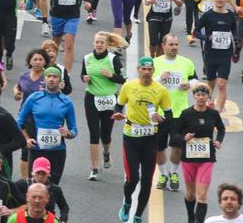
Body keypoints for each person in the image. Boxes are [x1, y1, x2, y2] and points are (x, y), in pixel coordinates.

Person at [113, 56, 173, 223]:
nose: (146, 72)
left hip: (150, 139)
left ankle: (138, 214)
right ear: (138, 70)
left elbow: (169, 116)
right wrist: (117, 112)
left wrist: (160, 118)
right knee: (132, 178)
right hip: (131, 138)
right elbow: (119, 104)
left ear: (153, 71)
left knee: (147, 181)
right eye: (143, 69)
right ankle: (127, 202)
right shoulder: (128, 86)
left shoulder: (161, 90)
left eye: (149, 69)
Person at [173, 83, 225, 223]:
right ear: (194, 96)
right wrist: (184, 138)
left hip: (207, 158)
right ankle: (191, 216)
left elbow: (221, 129)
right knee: (190, 194)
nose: (201, 97)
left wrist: (219, 141)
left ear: (208, 96)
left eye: (204, 95)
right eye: (198, 95)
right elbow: (175, 134)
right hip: (188, 159)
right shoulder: (186, 113)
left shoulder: (213, 114)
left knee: (201, 195)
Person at [16, 66, 77, 185]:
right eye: (49, 76)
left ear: (60, 81)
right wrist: (27, 139)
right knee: (34, 187)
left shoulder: (66, 102)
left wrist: (68, 134)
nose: (51, 79)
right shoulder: (34, 98)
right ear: (44, 79)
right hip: (37, 149)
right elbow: (19, 122)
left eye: (55, 77)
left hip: (57, 151)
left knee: (52, 188)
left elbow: (74, 129)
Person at [153, 33, 198, 191]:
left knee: (177, 145)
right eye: (171, 45)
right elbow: (145, 83)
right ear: (163, 46)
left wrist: (189, 84)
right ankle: (163, 174)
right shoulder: (155, 63)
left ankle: (173, 173)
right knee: (159, 147)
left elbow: (195, 80)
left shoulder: (186, 63)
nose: (174, 48)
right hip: (160, 112)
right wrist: (159, 78)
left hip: (180, 111)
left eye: (176, 45)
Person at [81, 31, 127, 181]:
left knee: (105, 133)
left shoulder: (114, 59)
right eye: (97, 42)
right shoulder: (87, 58)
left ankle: (106, 153)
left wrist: (111, 76)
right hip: (91, 98)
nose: (99, 45)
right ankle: (94, 168)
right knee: (94, 133)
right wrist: (84, 78)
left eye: (102, 42)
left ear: (107, 44)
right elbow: (83, 75)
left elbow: (124, 80)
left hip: (108, 99)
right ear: (93, 43)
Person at [194, 0, 238, 113]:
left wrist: (236, 43)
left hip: (225, 54)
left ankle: (217, 113)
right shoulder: (207, 15)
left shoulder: (230, 15)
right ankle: (206, 109)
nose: (220, 0)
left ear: (226, 0)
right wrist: (207, 38)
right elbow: (196, 32)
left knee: (222, 84)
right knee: (210, 84)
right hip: (210, 54)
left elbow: (234, 31)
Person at [13, 158, 69, 223]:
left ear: (49, 174)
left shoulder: (55, 189)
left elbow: (64, 207)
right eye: (38, 173)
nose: (40, 176)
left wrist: (63, 219)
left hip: (47, 220)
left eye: (43, 173)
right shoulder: (21, 185)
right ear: (32, 172)